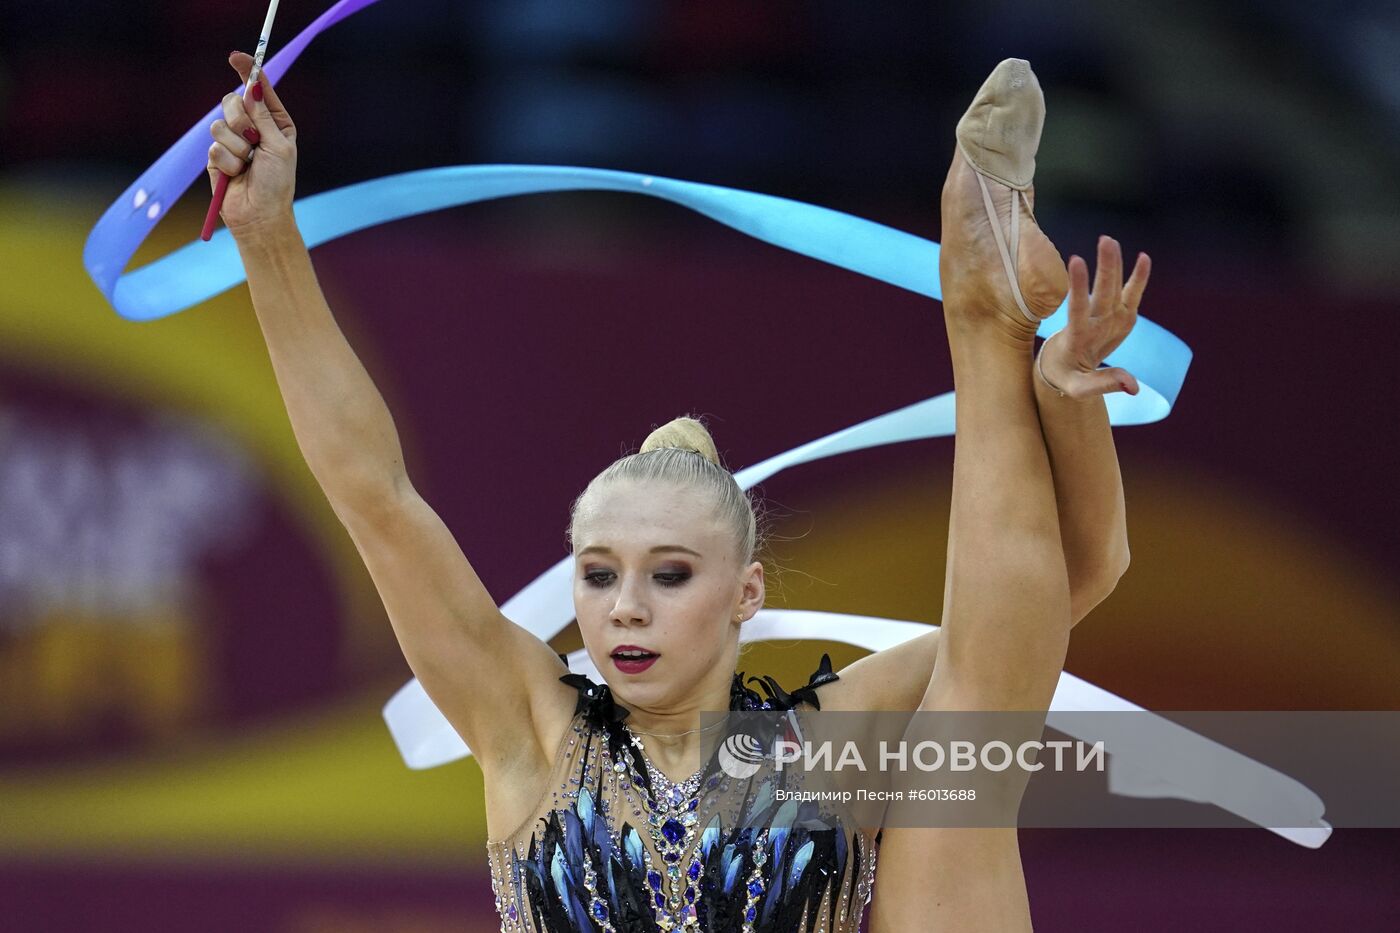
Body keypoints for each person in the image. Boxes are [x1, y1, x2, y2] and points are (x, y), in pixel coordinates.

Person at [210, 52, 1149, 933]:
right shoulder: (530, 729)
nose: (624, 609)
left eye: (668, 575)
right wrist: (267, 237)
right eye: (598, 574)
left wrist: (1067, 405)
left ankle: (983, 310)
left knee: (973, 727)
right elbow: (374, 494)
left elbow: (1056, 598)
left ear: (747, 591)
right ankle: (983, 313)